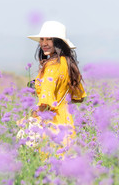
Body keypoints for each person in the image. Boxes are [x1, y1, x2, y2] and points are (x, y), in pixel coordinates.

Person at [27, 20, 87, 148]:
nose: (44, 43)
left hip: (51, 126)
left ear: (58, 42)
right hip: (67, 123)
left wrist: (32, 118)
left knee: (48, 164)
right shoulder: (68, 63)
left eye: (49, 39)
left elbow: (46, 102)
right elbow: (79, 96)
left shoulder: (51, 66)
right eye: (42, 39)